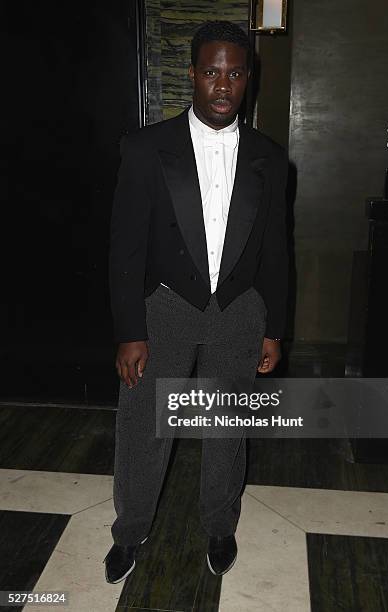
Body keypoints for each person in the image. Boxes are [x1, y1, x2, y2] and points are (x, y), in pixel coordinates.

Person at [104, 20, 289, 583]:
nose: (223, 85)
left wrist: (274, 328)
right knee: (144, 427)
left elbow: (279, 250)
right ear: (192, 74)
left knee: (227, 428)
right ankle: (130, 532)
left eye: (235, 73)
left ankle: (219, 525)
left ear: (248, 79)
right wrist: (128, 328)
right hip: (165, 308)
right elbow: (124, 247)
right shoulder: (145, 148)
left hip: (240, 311)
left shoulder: (270, 157)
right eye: (212, 72)